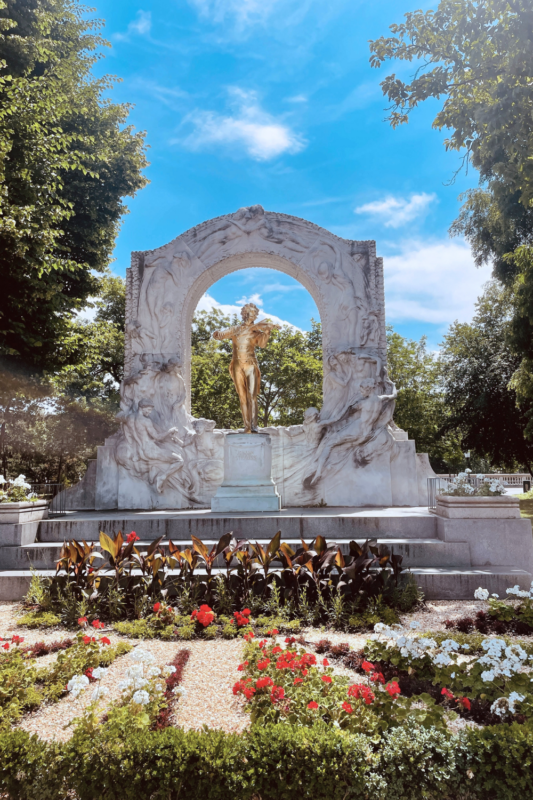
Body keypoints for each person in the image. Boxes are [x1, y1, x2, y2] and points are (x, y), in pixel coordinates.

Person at [212, 303, 280, 433]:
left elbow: (263, 344)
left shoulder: (256, 331)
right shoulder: (235, 329)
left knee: (251, 395)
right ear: (244, 314)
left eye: (254, 313)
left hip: (250, 364)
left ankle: (254, 425)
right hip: (237, 365)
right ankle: (247, 426)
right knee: (242, 396)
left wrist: (267, 331)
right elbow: (222, 335)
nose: (252, 315)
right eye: (250, 312)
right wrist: (217, 334)